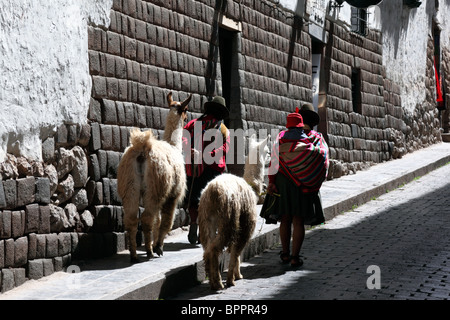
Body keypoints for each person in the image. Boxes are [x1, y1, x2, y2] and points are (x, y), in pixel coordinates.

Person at [266, 104, 329, 267]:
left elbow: (273, 162)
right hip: (304, 185)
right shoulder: (316, 138)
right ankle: (295, 257)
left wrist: (271, 183)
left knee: (285, 219)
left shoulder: (281, 137)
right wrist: (312, 177)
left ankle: (285, 254)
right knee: (298, 220)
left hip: (283, 182)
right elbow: (323, 162)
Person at [183, 96, 230, 244]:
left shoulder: (194, 124)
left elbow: (183, 136)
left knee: (194, 198)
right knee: (210, 202)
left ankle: (193, 222)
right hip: (213, 170)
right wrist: (209, 155)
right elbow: (225, 148)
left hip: (194, 167)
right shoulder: (222, 129)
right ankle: (205, 231)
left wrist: (189, 149)